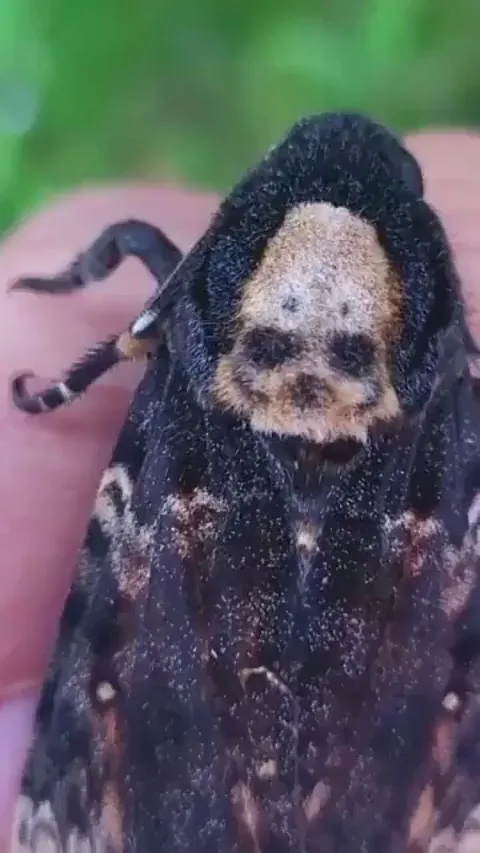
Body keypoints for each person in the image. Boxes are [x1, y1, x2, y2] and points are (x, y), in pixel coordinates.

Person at [0, 130, 479, 847]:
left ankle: (84, 821)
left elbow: (135, 268)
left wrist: (73, 373)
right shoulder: (438, 347)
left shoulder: (209, 286)